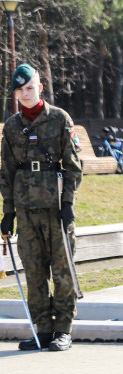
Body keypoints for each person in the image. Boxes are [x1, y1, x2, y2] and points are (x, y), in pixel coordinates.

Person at [0, 64, 83, 352]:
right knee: (34, 272)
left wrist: (68, 202)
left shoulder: (60, 118)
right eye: (20, 90)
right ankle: (43, 330)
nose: (25, 94)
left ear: (40, 88)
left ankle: (63, 330)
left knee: (62, 270)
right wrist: (8, 212)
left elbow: (73, 165)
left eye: (30, 88)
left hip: (55, 207)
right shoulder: (12, 126)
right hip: (25, 209)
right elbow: (7, 172)